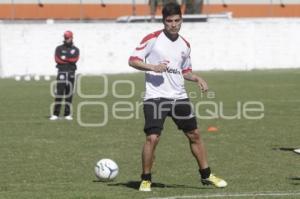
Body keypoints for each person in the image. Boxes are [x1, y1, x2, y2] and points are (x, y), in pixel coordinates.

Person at [128, 2, 227, 192]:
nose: (173, 24)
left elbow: (184, 71)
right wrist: (153, 67)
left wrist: (196, 77)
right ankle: (146, 179)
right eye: (169, 21)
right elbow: (133, 60)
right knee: (153, 138)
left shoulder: (185, 44)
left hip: (179, 97)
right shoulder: (153, 39)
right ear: (163, 21)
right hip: (155, 97)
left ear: (181, 20)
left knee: (195, 134)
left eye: (177, 20)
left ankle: (206, 175)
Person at [49, 30, 80, 121]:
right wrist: (68, 59)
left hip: (71, 73)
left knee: (69, 93)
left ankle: (67, 114)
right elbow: (57, 59)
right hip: (61, 72)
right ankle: (56, 114)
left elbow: (75, 59)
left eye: (68, 37)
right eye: (65, 37)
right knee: (59, 93)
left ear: (71, 38)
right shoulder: (58, 48)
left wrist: (65, 58)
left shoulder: (76, 49)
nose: (66, 39)